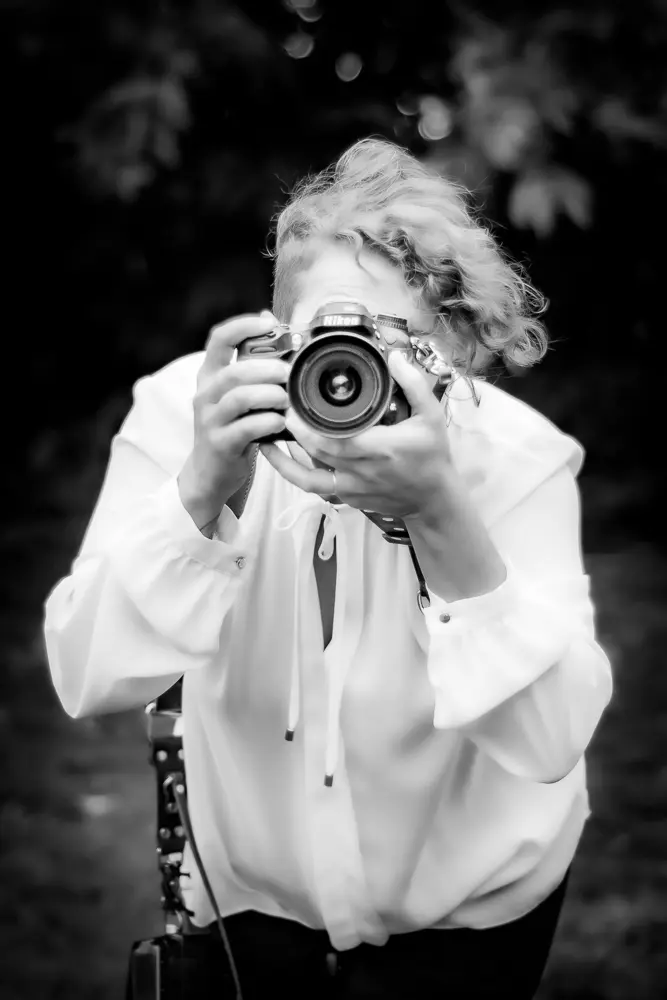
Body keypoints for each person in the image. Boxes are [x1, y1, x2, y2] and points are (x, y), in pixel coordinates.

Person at [43, 138, 613, 999]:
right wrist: (203, 487)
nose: (350, 372)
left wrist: (439, 513)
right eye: (328, 334)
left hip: (469, 908)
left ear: (450, 350)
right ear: (277, 332)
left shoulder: (513, 458)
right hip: (250, 906)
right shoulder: (182, 414)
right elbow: (86, 676)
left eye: (395, 341)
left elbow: (546, 743)